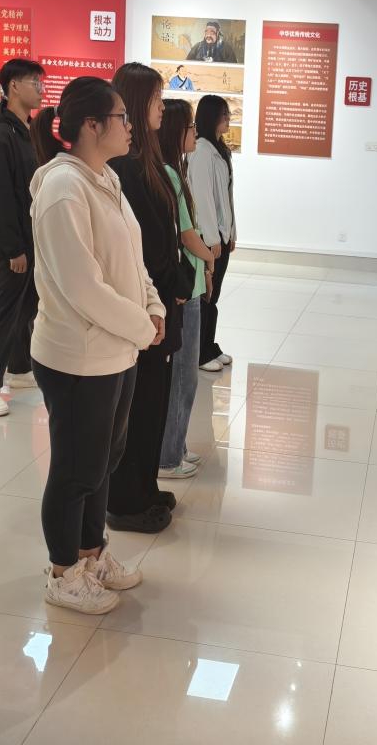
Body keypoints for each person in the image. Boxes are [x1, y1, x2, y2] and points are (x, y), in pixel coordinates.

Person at [28, 76, 165, 614]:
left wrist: (152, 306)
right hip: (78, 357)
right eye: (121, 118)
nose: (129, 126)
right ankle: (63, 572)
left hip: (116, 351)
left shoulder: (105, 179)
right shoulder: (63, 188)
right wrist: (142, 327)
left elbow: (132, 259)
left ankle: (92, 554)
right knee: (75, 469)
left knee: (103, 462)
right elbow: (83, 287)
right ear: (91, 125)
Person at [106, 63, 190, 534]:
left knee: (154, 401)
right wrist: (174, 284)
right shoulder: (126, 167)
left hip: (159, 302)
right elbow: (145, 248)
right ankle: (126, 500)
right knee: (137, 408)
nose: (163, 107)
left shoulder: (148, 162)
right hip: (145, 307)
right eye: (157, 99)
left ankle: (145, 485)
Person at [0, 58, 44, 418]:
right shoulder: (0, 134)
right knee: (3, 309)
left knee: (26, 304)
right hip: (12, 244)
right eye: (34, 83)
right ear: (13, 86)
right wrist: (14, 248)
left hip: (29, 237)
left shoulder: (23, 129)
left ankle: (18, 367)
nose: (41, 90)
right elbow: (0, 196)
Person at [159, 99, 218, 479]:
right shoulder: (169, 174)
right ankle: (168, 456)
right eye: (190, 127)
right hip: (186, 286)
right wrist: (210, 259)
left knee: (185, 376)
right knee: (184, 375)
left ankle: (176, 446)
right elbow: (186, 234)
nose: (196, 132)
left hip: (191, 283)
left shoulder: (174, 170)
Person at [189, 94, 237, 372]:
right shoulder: (201, 150)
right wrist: (212, 238)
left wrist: (232, 232)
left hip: (222, 234)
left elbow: (227, 197)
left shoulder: (219, 149)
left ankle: (209, 345)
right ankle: (199, 352)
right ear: (211, 117)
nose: (228, 119)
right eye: (224, 114)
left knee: (214, 294)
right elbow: (203, 198)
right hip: (211, 237)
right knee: (206, 295)